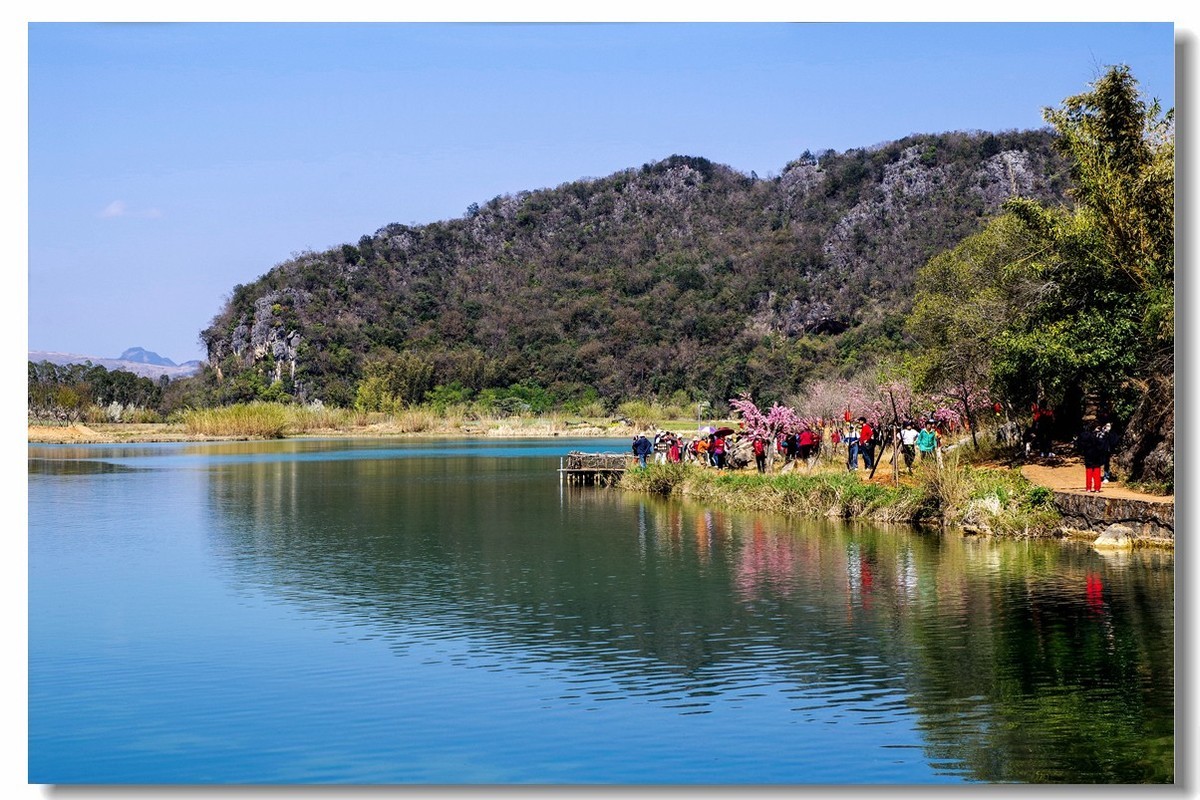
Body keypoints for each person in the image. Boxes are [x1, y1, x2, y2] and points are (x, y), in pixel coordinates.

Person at [1078, 424, 1111, 492]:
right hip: (1096, 455)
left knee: (1089, 472)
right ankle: (1097, 488)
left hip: (1088, 455)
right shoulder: (1096, 437)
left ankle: (1088, 488)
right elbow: (1101, 444)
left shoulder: (1083, 436)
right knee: (1096, 472)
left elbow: (1079, 445)